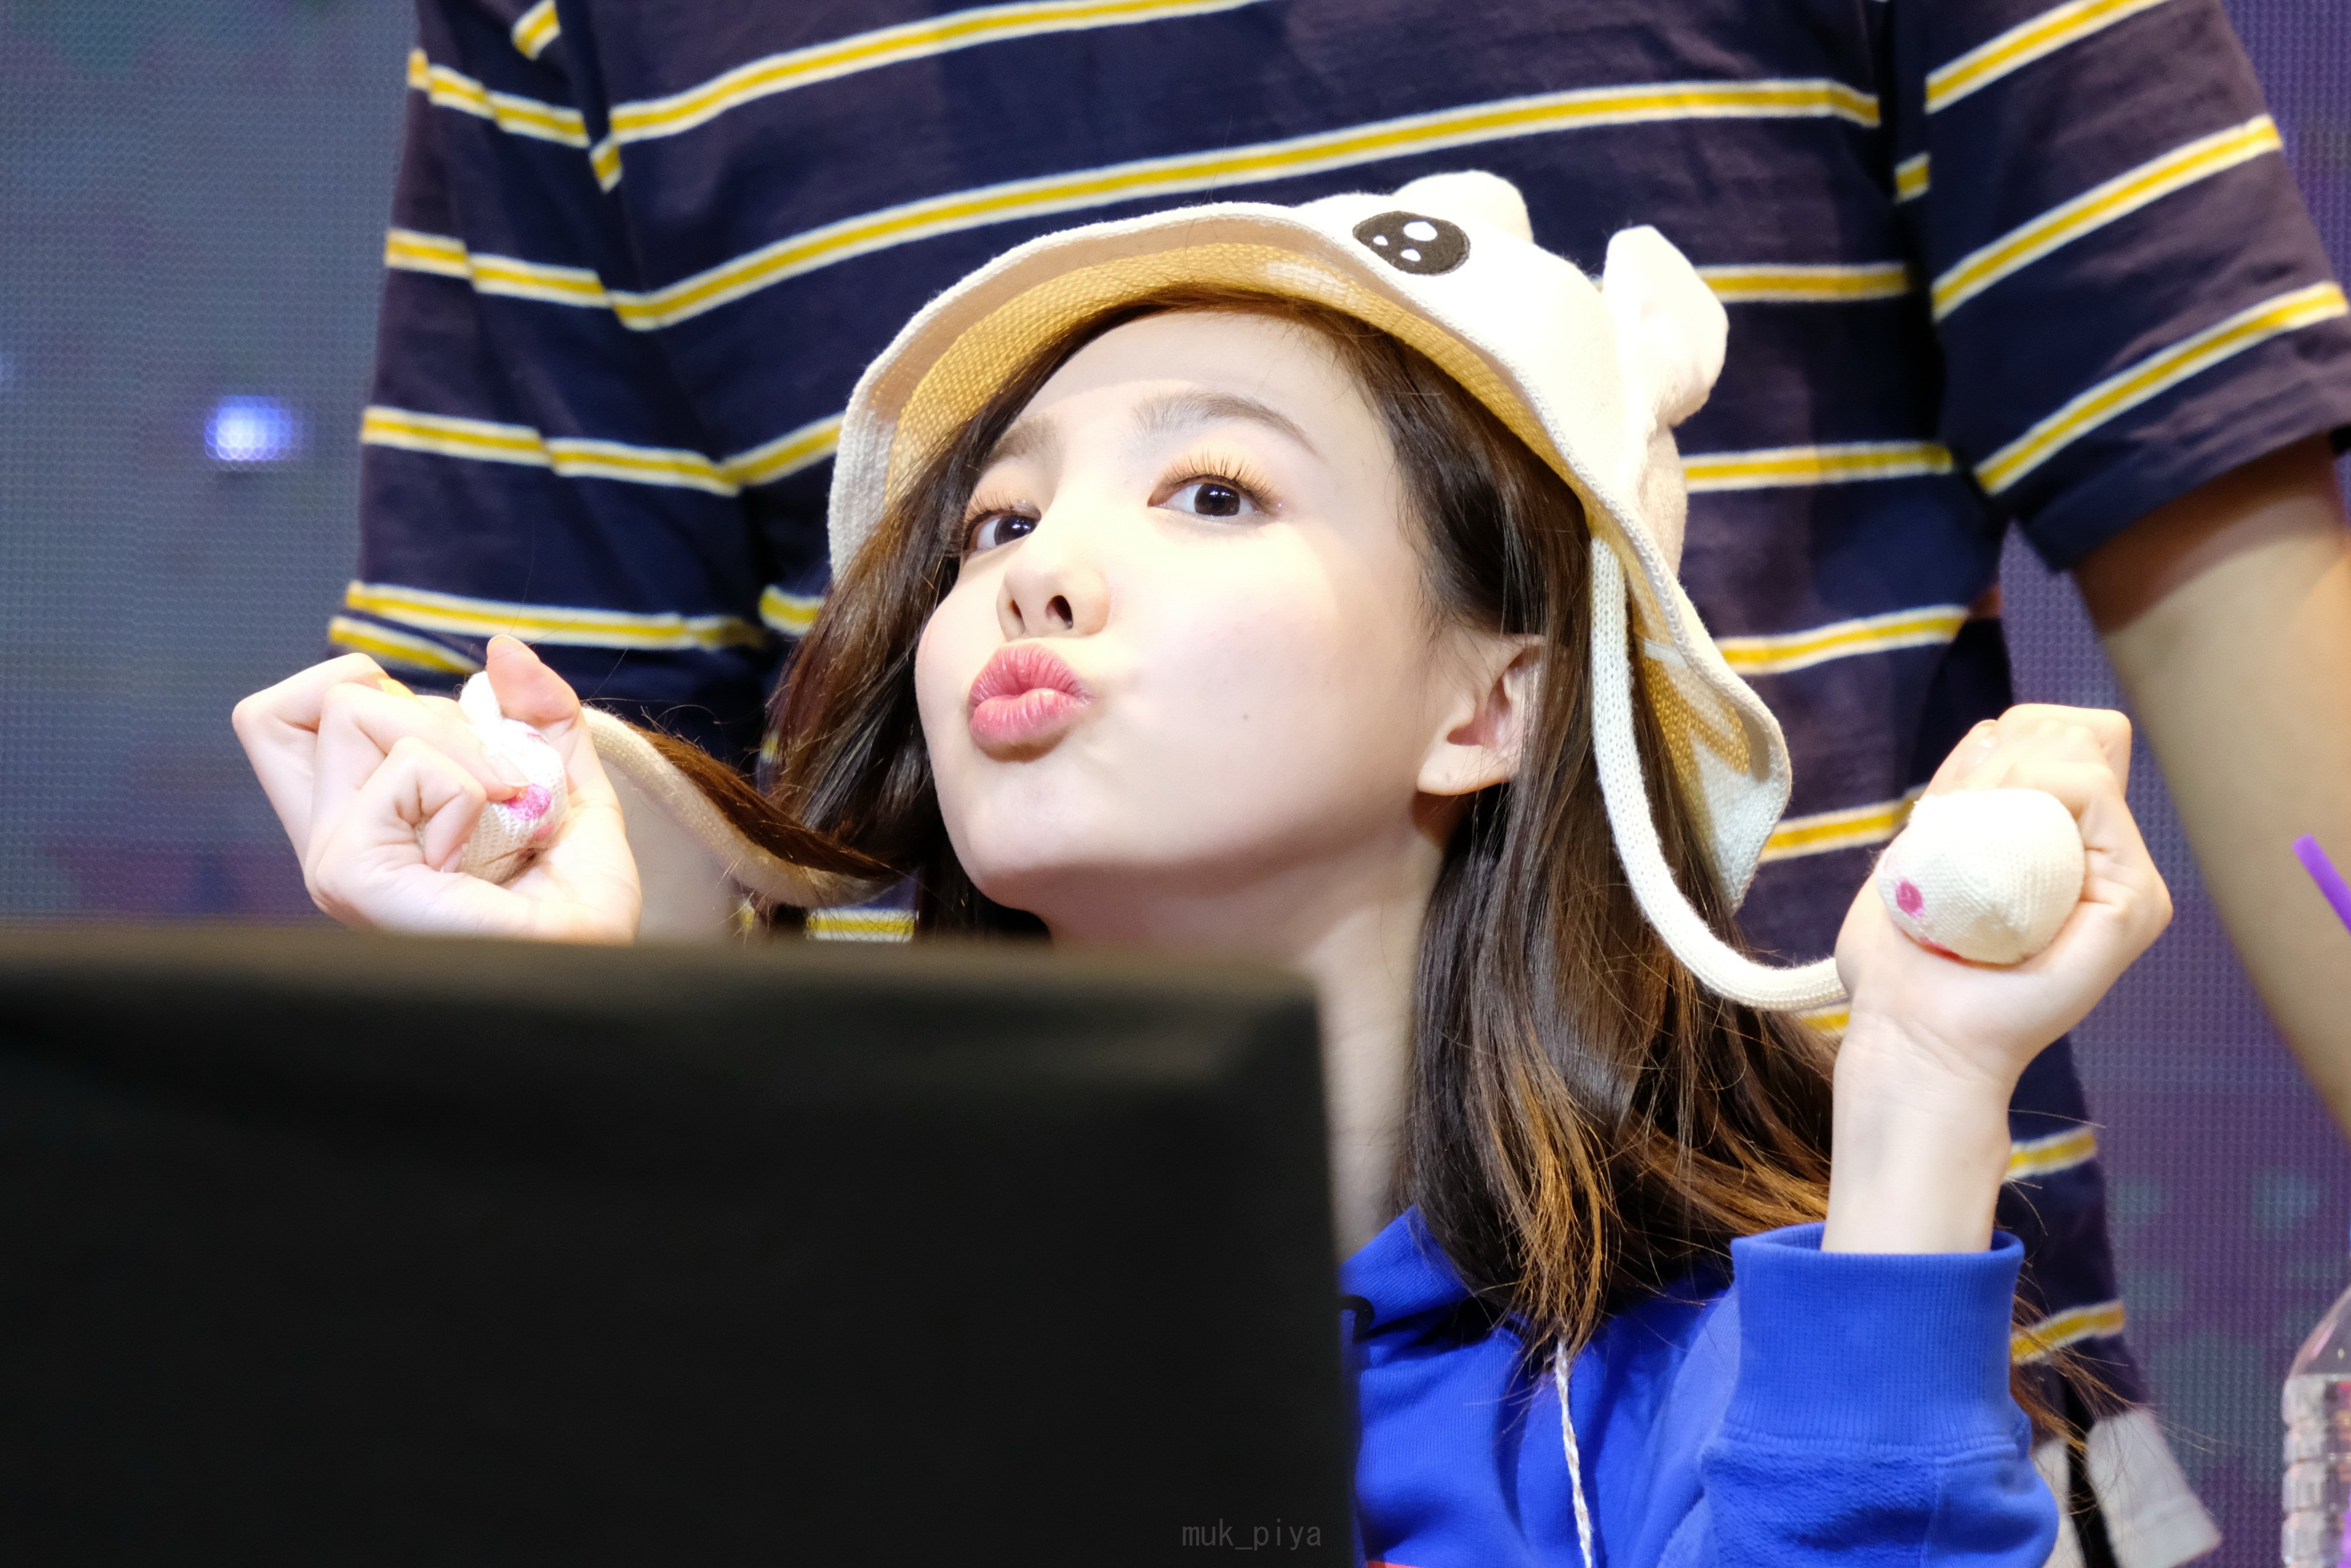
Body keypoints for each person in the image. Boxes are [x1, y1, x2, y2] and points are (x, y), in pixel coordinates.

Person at [339, 9, 2351, 1553]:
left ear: (1497, 698)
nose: (1032, 568)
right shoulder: (857, 1374)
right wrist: (538, 991)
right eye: (992, 521)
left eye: (1216, 490)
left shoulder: (1717, 1384)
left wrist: (1915, 1110)